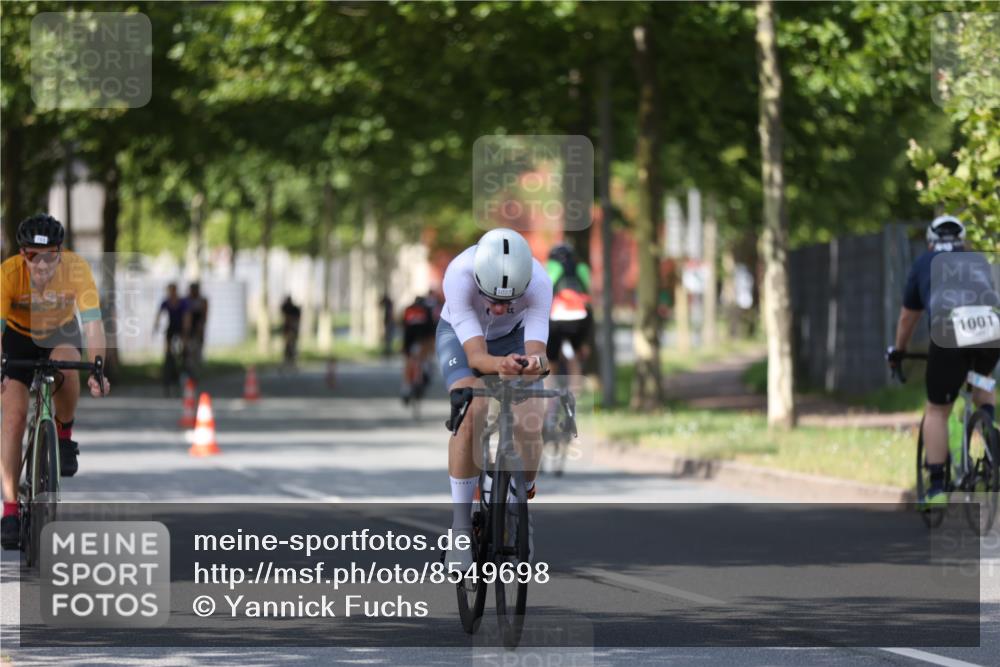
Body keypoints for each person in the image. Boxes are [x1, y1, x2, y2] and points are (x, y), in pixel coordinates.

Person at [436, 228, 552, 571]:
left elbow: (539, 354)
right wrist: (499, 366)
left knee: (532, 414)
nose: (500, 309)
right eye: (493, 300)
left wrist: (534, 366)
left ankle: (521, 500)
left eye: (509, 302)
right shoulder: (458, 274)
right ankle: (460, 532)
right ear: (477, 279)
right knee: (472, 409)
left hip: (514, 341)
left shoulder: (540, 282)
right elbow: (475, 356)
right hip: (460, 339)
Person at [1, 214, 111, 549]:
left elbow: (92, 324)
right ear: (23, 255)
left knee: (69, 365)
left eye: (50, 255)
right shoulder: (7, 275)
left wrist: (98, 368)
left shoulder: (76, 270)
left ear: (60, 253)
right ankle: (9, 509)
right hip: (18, 337)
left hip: (58, 333)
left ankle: (63, 434)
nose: (42, 264)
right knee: (14, 417)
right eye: (35, 257)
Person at [887, 215, 1000, 509]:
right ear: (962, 242)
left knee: (937, 410)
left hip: (950, 331)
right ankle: (991, 442)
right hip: (989, 328)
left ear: (930, 241)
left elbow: (906, 318)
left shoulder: (924, 263)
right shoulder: (978, 261)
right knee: (981, 381)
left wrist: (898, 351)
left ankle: (937, 487)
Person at [545, 242, 593, 380]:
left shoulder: (551, 266)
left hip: (556, 317)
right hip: (580, 316)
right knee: (575, 356)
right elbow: (590, 292)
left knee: (551, 359)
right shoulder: (582, 267)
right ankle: (575, 394)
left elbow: (546, 289)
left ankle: (550, 395)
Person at [400, 294, 436, 403]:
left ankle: (406, 388)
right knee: (425, 357)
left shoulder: (408, 310)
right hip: (423, 339)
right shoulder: (427, 310)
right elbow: (431, 330)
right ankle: (426, 369)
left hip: (409, 339)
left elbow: (404, 326)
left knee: (409, 361)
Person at [153, 282, 187, 392]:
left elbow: (187, 318)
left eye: (173, 291)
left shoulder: (182, 302)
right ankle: (169, 376)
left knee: (182, 353)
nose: (171, 293)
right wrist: (156, 327)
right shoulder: (166, 302)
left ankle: (182, 374)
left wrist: (185, 333)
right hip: (171, 329)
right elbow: (159, 315)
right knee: (168, 354)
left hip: (181, 329)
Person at [182, 282, 208, 376]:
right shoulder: (186, 300)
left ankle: (196, 367)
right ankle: (186, 366)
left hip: (197, 327)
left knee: (197, 348)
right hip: (187, 327)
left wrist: (200, 327)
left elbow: (204, 316)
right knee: (186, 348)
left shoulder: (202, 300)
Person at [280, 295, 302, 371]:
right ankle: (287, 362)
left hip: (292, 330)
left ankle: (292, 363)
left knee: (292, 347)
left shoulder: (294, 310)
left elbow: (296, 318)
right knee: (287, 347)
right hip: (288, 330)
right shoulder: (287, 309)